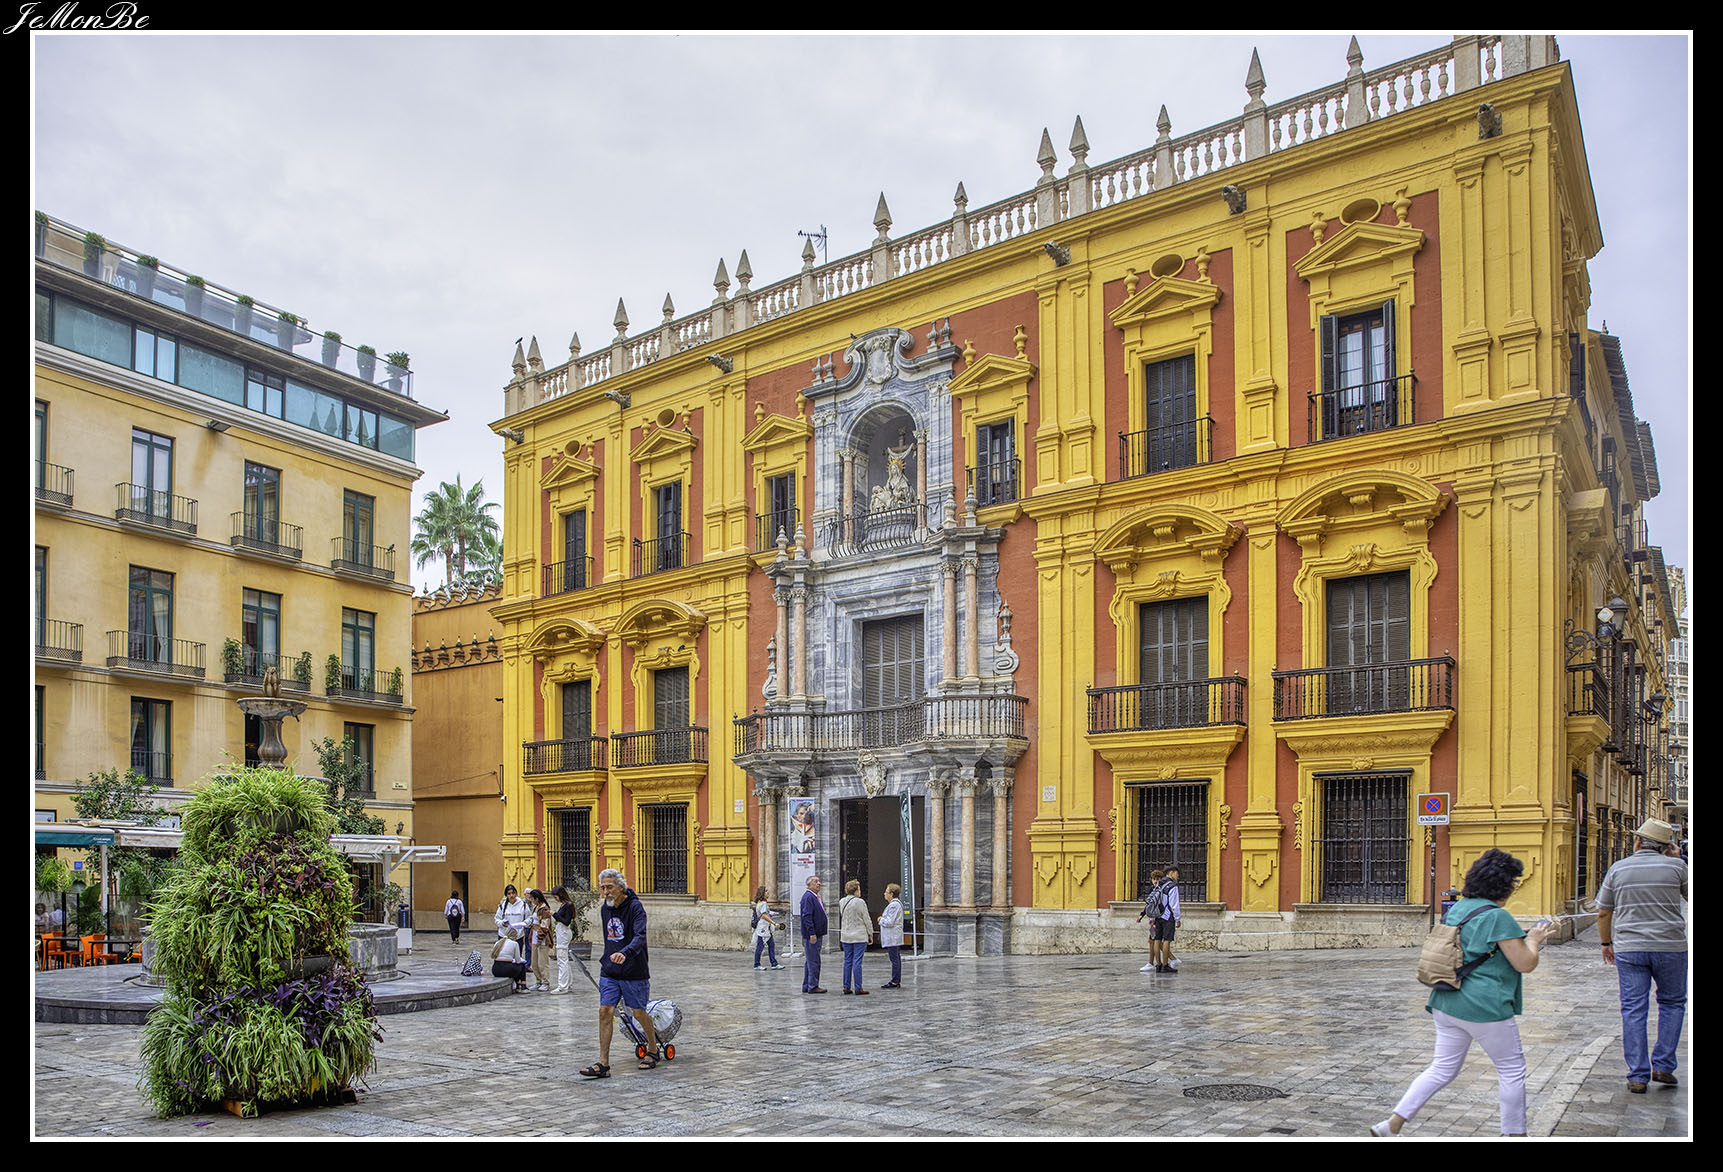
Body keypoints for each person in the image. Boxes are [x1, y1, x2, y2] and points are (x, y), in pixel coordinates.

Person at [1370, 848, 1555, 1137]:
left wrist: (1521, 937)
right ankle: (1514, 1134)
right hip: (1484, 1006)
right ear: (1504, 885)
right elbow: (1525, 963)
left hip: (1447, 1001)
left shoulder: (1459, 908)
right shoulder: (1499, 917)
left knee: (1441, 1069)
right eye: (1513, 882)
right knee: (1511, 1069)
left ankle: (1391, 1124)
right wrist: (1533, 940)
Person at [1596, 817, 1688, 1093]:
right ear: (1667, 847)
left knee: (1633, 1008)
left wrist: (1606, 943)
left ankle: (1637, 1075)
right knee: (1672, 1003)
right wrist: (1678, 860)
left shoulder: (1618, 868)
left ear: (1637, 842)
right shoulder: (1677, 867)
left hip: (1630, 948)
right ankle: (1663, 1065)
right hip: (1670, 947)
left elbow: (1604, 912)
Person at [578, 869, 659, 1078]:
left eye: (609, 887)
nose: (605, 892)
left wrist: (625, 953)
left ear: (621, 887)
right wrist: (611, 958)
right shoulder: (605, 909)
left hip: (634, 970)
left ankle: (653, 1049)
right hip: (610, 971)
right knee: (605, 1011)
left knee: (638, 1012)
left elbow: (640, 936)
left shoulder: (635, 908)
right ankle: (603, 1063)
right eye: (603, 888)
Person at [838, 878, 873, 994]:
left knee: (847, 961)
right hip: (859, 935)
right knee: (857, 961)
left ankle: (846, 986)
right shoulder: (860, 902)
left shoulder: (842, 901)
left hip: (846, 935)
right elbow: (866, 919)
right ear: (856, 890)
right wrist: (870, 933)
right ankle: (858, 987)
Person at [799, 875, 828, 994]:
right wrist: (812, 933)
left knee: (810, 960)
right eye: (815, 881)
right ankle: (813, 985)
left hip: (816, 933)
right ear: (809, 884)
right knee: (814, 961)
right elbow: (807, 916)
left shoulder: (814, 896)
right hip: (812, 934)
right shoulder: (808, 897)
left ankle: (807, 985)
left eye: (819, 881)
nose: (819, 883)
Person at [1136, 868, 1166, 972]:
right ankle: (1153, 962)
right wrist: (1142, 915)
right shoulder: (1152, 890)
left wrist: (1153, 919)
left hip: (1158, 919)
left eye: (1158, 879)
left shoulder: (1160, 891)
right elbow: (1149, 905)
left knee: (1156, 942)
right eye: (1154, 879)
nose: (1155, 881)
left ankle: (1168, 960)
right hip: (1153, 918)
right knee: (1152, 941)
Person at [525, 889, 554, 992]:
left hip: (542, 938)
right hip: (534, 935)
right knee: (535, 962)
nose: (531, 900)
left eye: (532, 898)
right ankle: (538, 981)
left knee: (543, 962)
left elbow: (545, 925)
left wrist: (539, 938)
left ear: (537, 899)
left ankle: (546, 982)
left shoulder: (544, 909)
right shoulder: (535, 908)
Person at [878, 883, 905, 988]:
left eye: (886, 892)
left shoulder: (894, 905)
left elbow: (890, 922)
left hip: (893, 936)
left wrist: (881, 920)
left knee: (894, 959)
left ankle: (895, 980)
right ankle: (895, 979)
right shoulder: (894, 905)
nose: (884, 894)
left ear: (891, 894)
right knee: (895, 958)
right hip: (893, 936)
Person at [751, 884, 784, 970]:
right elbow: (764, 915)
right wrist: (774, 923)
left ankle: (774, 963)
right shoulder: (763, 903)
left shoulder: (760, 903)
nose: (768, 892)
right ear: (762, 893)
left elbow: (766, 912)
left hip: (765, 929)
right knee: (760, 947)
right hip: (763, 929)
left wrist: (773, 913)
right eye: (766, 891)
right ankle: (757, 964)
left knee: (771, 945)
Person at [550, 885, 576, 993]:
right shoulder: (564, 905)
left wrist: (554, 914)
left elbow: (566, 921)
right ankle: (567, 983)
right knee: (563, 959)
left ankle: (563, 986)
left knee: (562, 960)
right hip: (561, 932)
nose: (555, 899)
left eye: (556, 896)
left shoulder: (568, 905)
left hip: (564, 933)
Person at [1159, 865, 1183, 973]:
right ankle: (1165, 964)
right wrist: (1177, 919)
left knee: (1157, 940)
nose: (1177, 876)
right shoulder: (1172, 886)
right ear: (1171, 873)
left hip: (1158, 915)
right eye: (1177, 874)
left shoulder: (1159, 884)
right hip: (1168, 916)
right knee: (1166, 941)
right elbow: (1174, 905)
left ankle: (1158, 964)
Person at [490, 925, 528, 991]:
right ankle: (522, 986)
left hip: (496, 969)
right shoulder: (514, 943)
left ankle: (518, 985)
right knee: (521, 966)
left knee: (514, 967)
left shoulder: (498, 943)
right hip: (507, 969)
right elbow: (518, 960)